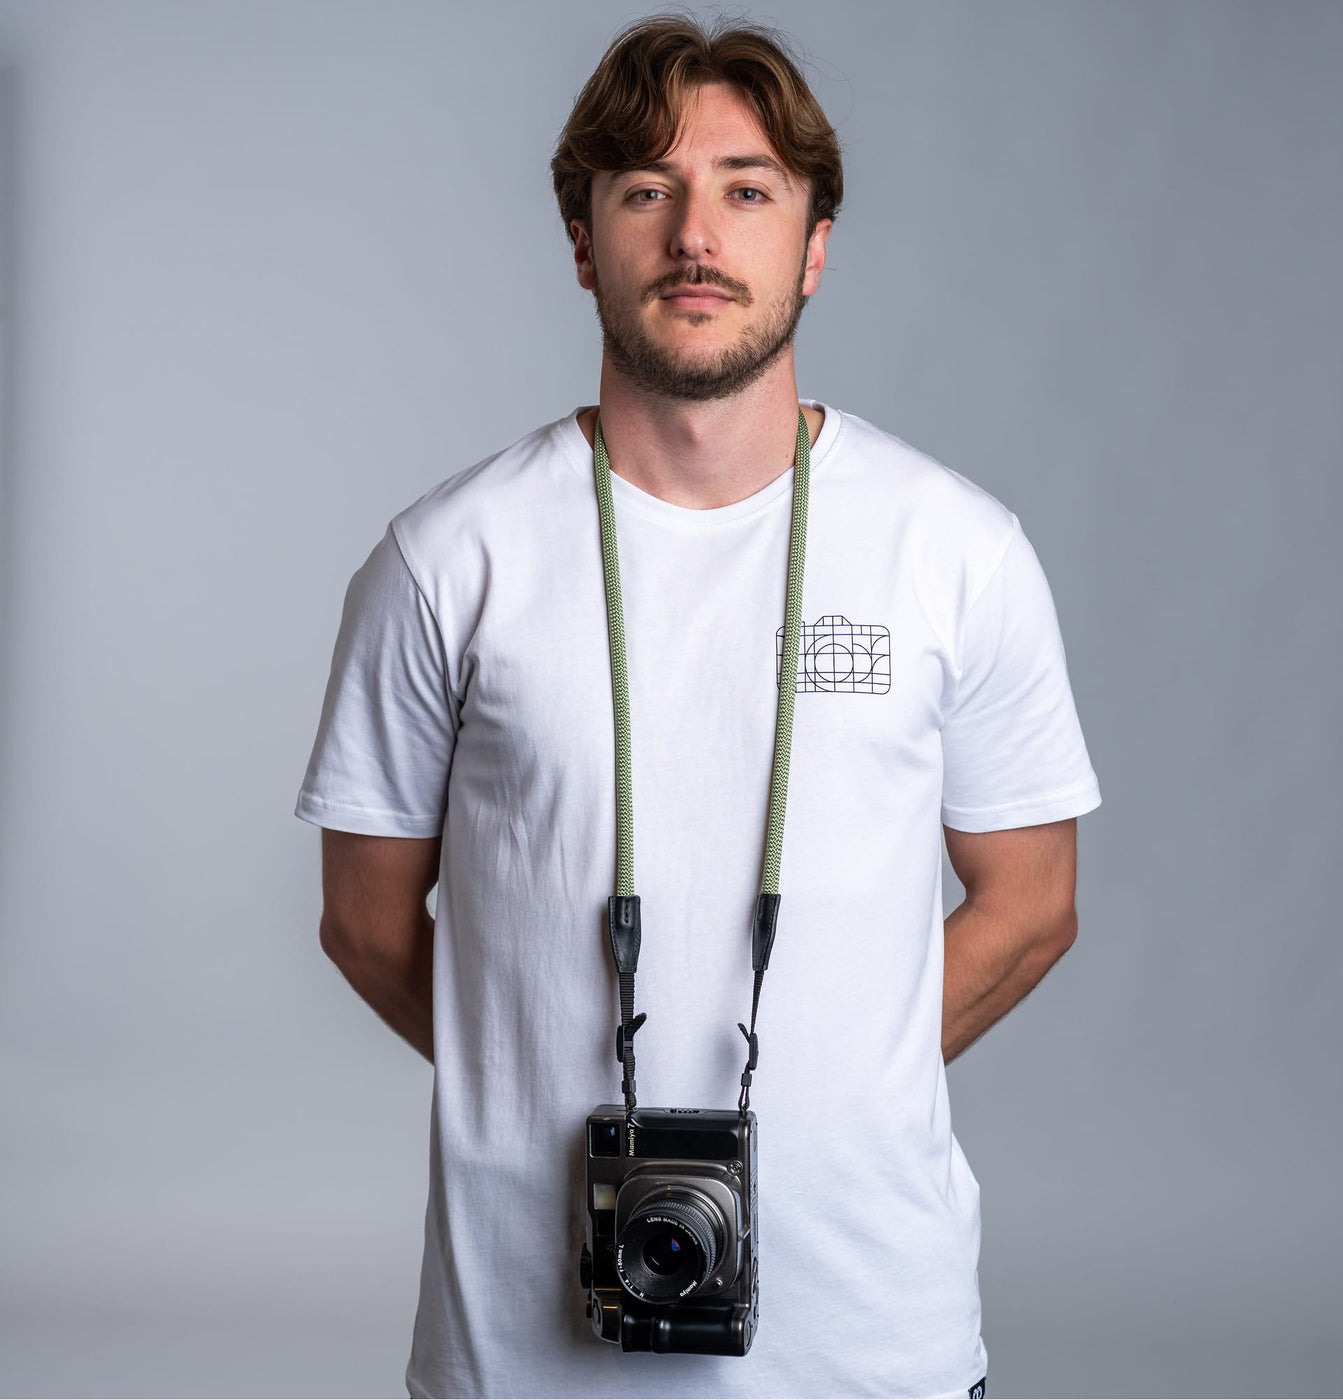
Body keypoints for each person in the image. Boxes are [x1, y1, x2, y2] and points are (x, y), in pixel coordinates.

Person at [295, 15, 1101, 1400]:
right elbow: (366, 927)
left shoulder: (957, 550)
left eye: (746, 189)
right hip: (518, 1352)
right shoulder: (447, 560)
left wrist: (840, 1077)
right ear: (581, 235)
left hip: (872, 1344)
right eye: (646, 190)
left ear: (816, 241)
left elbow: (1032, 905)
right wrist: (541, 1077)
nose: (695, 236)